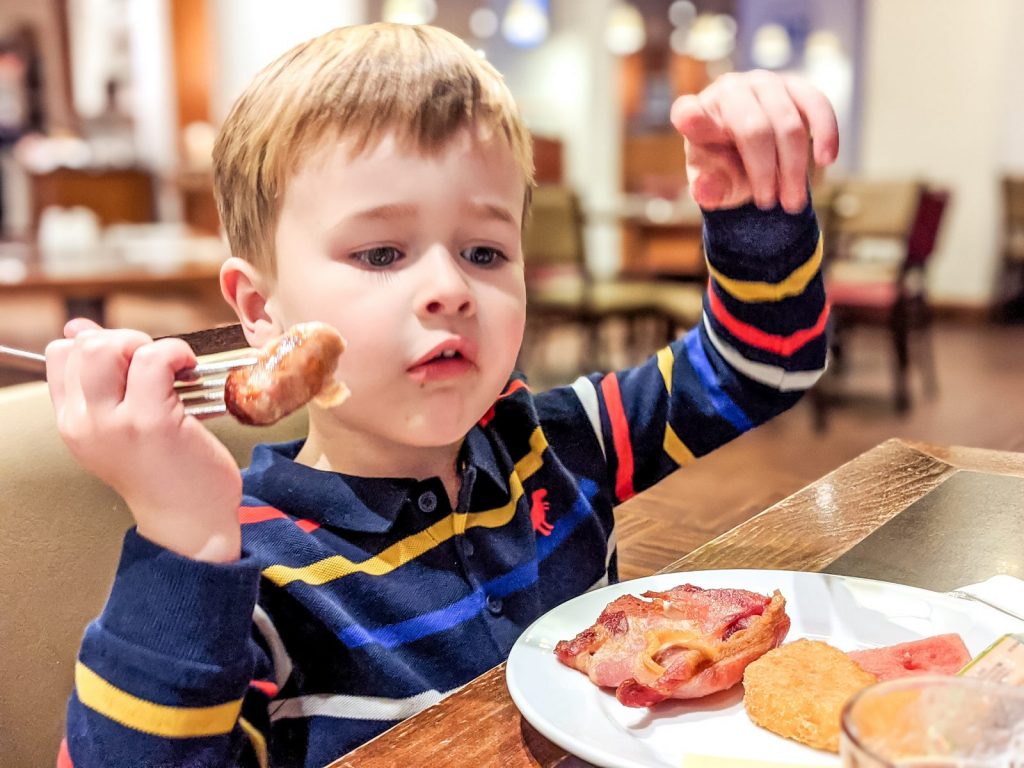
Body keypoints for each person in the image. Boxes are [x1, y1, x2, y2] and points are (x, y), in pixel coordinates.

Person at [46, 23, 836, 768]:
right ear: (261, 311)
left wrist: (755, 218)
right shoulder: (250, 573)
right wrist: (185, 540)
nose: (449, 288)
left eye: (485, 250)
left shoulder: (557, 443)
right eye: (382, 251)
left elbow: (757, 369)